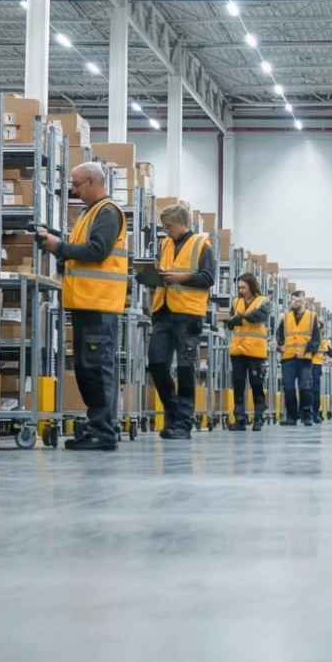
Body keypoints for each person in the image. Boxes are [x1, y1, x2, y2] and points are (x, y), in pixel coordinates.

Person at [37, 161, 128, 451]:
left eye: (76, 184)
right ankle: (102, 427)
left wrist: (60, 247)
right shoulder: (89, 213)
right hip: (86, 303)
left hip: (99, 304)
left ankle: (103, 432)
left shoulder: (107, 212)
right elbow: (82, 254)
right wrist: (58, 247)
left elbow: (98, 251)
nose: (73, 190)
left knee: (97, 370)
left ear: (91, 181)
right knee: (88, 370)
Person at [137, 202, 214, 442]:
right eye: (163, 225)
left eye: (168, 225)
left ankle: (183, 422)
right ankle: (173, 410)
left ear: (183, 223)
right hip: (163, 312)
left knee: (185, 368)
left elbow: (208, 278)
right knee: (156, 363)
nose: (165, 230)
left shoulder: (202, 244)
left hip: (188, 316)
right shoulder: (165, 244)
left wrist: (182, 277)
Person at [226, 273, 269, 430]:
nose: (241, 290)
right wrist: (231, 322)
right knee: (238, 384)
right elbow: (231, 322)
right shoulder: (236, 302)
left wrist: (240, 318)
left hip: (255, 351)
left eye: (243, 287)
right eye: (239, 287)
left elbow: (259, 317)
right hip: (238, 350)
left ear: (251, 286)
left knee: (256, 384)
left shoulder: (263, 301)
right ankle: (239, 419)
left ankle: (259, 416)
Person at [277, 298, 323, 425]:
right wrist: (280, 344)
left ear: (304, 304)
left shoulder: (312, 317)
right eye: (292, 300)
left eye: (297, 301)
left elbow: (316, 338)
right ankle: (291, 416)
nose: (293, 303)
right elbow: (279, 333)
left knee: (305, 387)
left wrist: (307, 351)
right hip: (288, 358)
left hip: (304, 360)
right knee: (288, 388)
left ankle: (306, 415)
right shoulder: (286, 317)